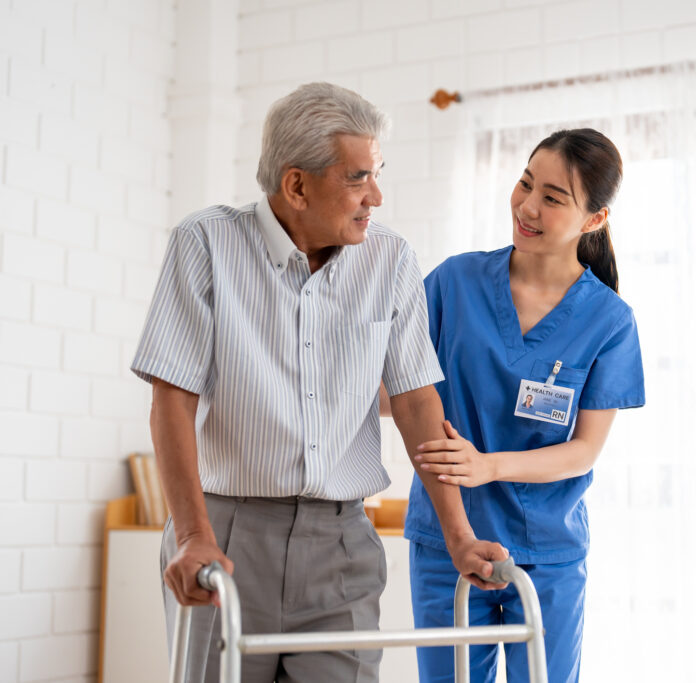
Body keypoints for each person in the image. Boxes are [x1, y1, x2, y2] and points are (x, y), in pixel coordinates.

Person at [131, 82, 506, 683]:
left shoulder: (391, 260)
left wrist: (460, 537)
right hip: (226, 535)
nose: (376, 197)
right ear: (297, 185)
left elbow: (414, 401)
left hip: (340, 546)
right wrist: (193, 536)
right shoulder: (205, 243)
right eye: (358, 178)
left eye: (377, 174)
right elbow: (171, 398)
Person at [403, 128, 646, 682]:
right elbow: (399, 397)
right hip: (447, 538)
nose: (528, 206)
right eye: (525, 183)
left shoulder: (608, 321)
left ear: (594, 220)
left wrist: (488, 465)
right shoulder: (454, 283)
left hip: (547, 551)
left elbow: (583, 452)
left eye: (554, 198)